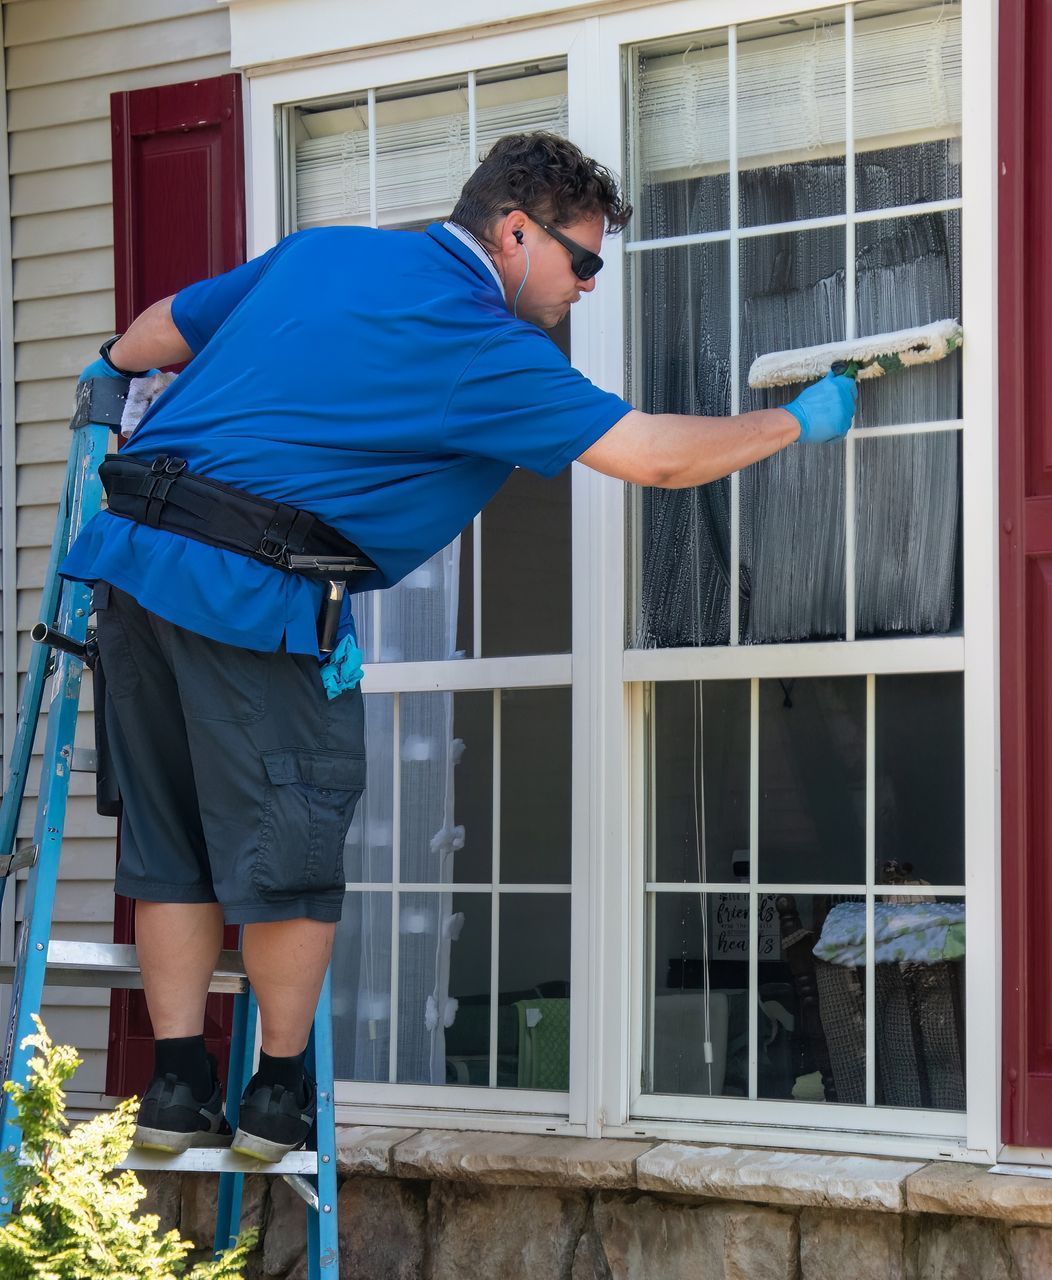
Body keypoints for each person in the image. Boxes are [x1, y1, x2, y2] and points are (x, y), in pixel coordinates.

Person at [59, 132, 855, 1160]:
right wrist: (796, 422)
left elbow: (154, 330)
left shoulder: (323, 250)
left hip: (130, 567)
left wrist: (105, 380)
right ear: (515, 232)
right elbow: (653, 459)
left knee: (170, 845)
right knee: (289, 847)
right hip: (251, 595)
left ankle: (174, 1087)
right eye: (583, 260)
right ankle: (277, 1094)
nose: (586, 287)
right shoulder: (481, 342)